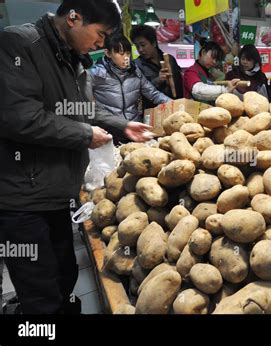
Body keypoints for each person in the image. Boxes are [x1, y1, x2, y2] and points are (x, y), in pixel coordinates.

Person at [0, 0, 152, 314]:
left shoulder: (71, 58)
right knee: (40, 292)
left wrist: (121, 124)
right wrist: (85, 135)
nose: (102, 43)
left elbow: (80, 109)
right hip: (22, 198)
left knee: (64, 275)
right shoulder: (19, 43)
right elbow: (20, 117)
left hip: (55, 191)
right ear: (74, 18)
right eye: (100, 34)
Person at [90, 33, 171, 144]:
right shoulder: (96, 74)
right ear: (108, 53)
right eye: (121, 53)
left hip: (134, 129)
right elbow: (85, 102)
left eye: (128, 53)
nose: (126, 57)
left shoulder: (135, 72)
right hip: (109, 132)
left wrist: (174, 103)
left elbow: (153, 94)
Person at [131, 24, 183, 104]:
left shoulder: (170, 59)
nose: (140, 50)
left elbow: (179, 84)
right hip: (154, 110)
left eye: (143, 45)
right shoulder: (137, 65)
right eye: (137, 46)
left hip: (176, 105)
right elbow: (140, 92)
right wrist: (158, 80)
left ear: (154, 43)